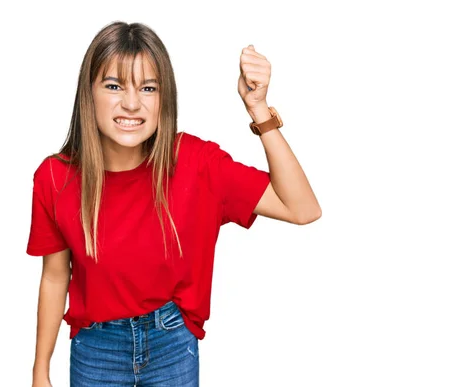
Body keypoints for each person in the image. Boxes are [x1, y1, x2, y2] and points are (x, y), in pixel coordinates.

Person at [26, 20, 321, 387]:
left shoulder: (197, 163)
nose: (131, 103)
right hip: (95, 349)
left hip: (171, 344)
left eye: (148, 88)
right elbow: (55, 276)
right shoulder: (56, 178)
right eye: (114, 85)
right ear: (89, 93)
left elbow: (303, 208)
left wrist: (259, 110)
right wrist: (40, 371)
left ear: (164, 98)